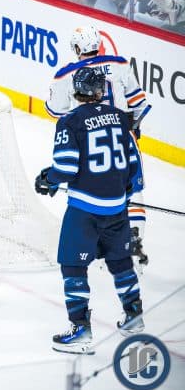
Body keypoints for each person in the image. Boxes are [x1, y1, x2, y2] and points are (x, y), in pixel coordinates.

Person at [35, 67, 145, 354]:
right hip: (117, 209)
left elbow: (66, 167)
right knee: (120, 261)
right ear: (100, 91)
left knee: (73, 265)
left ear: (76, 92)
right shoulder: (121, 118)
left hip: (85, 211)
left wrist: (49, 179)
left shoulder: (70, 121)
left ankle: (81, 328)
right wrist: (122, 194)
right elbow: (134, 167)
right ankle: (134, 316)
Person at [45, 25, 150, 267]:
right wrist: (133, 129)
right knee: (132, 188)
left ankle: (97, 243)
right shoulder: (120, 63)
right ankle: (133, 242)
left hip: (89, 142)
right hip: (122, 136)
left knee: (91, 192)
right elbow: (139, 104)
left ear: (77, 48)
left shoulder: (65, 74)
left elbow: (55, 110)